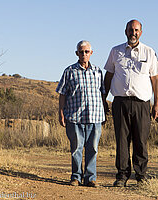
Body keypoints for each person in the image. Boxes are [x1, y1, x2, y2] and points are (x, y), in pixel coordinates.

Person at [104, 19, 158, 187]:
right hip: (120, 102)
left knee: (141, 140)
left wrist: (156, 104)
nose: (133, 33)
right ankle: (122, 175)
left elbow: (156, 79)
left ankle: (141, 176)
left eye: (136, 30)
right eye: (131, 30)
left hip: (142, 104)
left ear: (141, 33)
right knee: (122, 140)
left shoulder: (149, 52)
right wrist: (103, 99)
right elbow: (108, 76)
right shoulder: (115, 51)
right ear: (125, 31)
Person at [56, 40, 106, 187]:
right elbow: (62, 93)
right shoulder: (69, 71)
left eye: (86, 51)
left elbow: (102, 93)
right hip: (75, 116)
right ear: (76, 53)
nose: (84, 54)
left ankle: (90, 178)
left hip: (95, 116)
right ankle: (76, 177)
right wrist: (61, 113)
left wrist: (104, 112)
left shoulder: (97, 71)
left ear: (91, 53)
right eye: (81, 51)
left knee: (93, 148)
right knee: (76, 148)